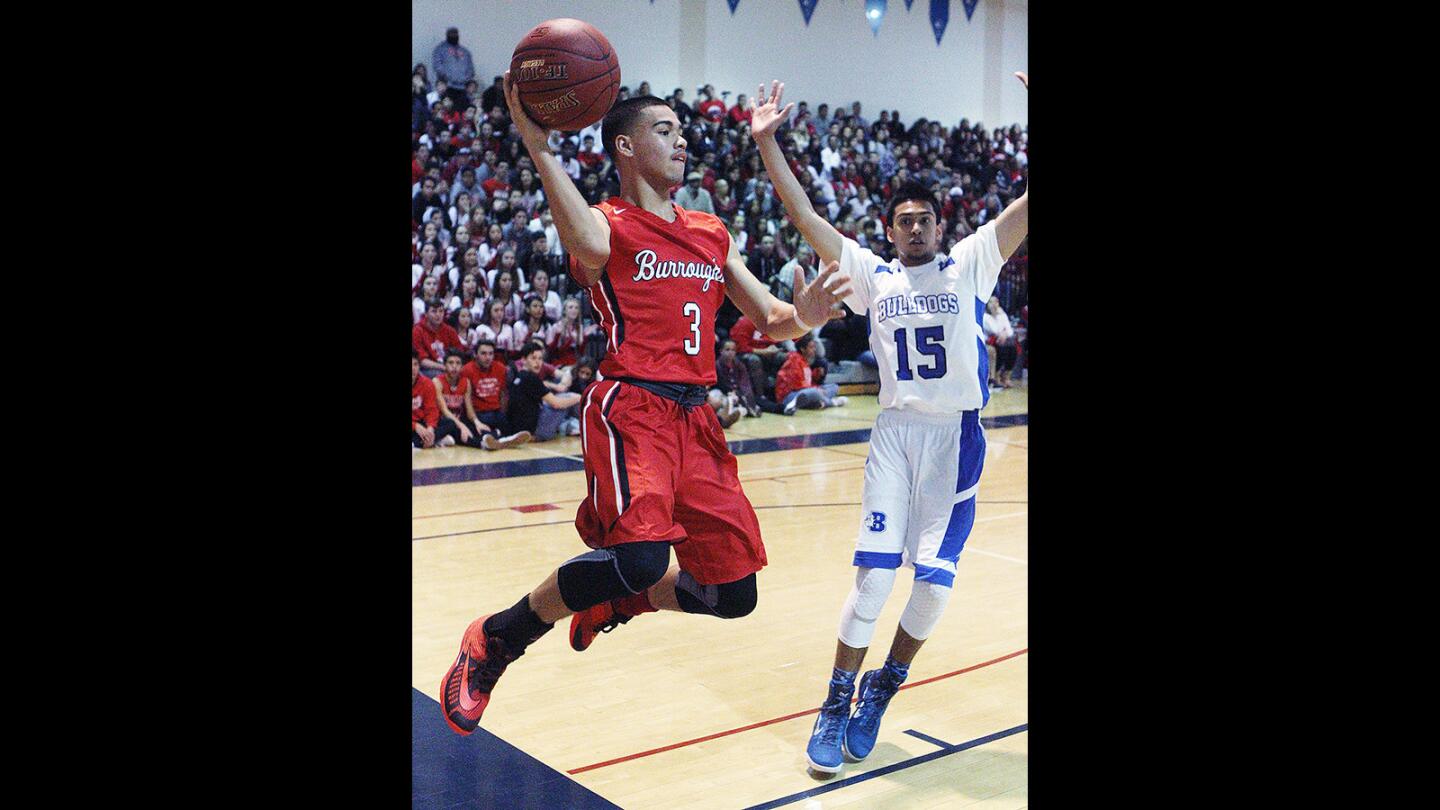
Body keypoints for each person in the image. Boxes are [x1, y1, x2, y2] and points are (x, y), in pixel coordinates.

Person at [440, 86, 853, 735]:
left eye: (683, 130)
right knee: (639, 554)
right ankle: (496, 639)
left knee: (732, 594)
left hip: (697, 420)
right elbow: (581, 237)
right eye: (666, 129)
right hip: (631, 406)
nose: (682, 139)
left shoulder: (712, 234)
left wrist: (807, 316)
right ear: (626, 147)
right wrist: (540, 148)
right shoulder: (607, 223)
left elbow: (772, 317)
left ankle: (619, 603)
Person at [750, 75, 1029, 774]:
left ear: (940, 227)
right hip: (896, 437)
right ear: (888, 229)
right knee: (873, 582)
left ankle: (884, 685)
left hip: (956, 442)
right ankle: (836, 698)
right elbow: (805, 215)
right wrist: (766, 144)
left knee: (933, 585)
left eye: (923, 220)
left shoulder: (969, 264)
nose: (913, 227)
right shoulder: (872, 274)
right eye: (902, 219)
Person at [505, 342, 583, 442]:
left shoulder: (519, 376)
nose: (538, 362)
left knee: (564, 397)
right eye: (533, 358)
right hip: (536, 431)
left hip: (518, 428)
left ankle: (572, 425)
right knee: (572, 397)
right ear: (523, 360)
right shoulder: (531, 378)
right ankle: (592, 427)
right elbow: (557, 404)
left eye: (540, 358)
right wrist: (580, 397)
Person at [774, 333, 847, 414]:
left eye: (814, 347)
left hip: (803, 391)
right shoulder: (794, 360)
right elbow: (797, 385)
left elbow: (808, 381)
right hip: (788, 396)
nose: (814, 350)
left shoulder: (805, 360)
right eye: (811, 347)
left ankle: (816, 403)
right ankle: (830, 403)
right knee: (814, 392)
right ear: (802, 349)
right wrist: (817, 389)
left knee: (834, 387)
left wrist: (816, 374)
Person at [413, 349, 460, 449]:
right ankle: (433, 440)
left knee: (450, 423)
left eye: (415, 364)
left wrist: (431, 428)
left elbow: (432, 410)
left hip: (423, 422)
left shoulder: (427, 383)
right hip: (414, 425)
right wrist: (415, 426)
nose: (413, 368)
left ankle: (424, 441)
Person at [413, 298, 462, 376]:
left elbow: (459, 353)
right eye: (434, 311)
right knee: (440, 375)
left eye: (441, 311)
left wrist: (452, 366)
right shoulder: (417, 331)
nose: (438, 314)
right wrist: (443, 367)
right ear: (426, 314)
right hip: (428, 368)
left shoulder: (450, 330)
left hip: (450, 365)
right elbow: (421, 360)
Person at [432, 27, 475, 110]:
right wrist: (449, 77)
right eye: (451, 34)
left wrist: (465, 79)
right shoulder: (440, 49)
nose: (454, 35)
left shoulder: (465, 51)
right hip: (448, 86)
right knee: (448, 110)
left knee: (462, 110)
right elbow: (437, 66)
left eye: (455, 34)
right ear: (447, 35)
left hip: (462, 87)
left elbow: (471, 69)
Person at [982, 295, 1020, 388]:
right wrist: (1003, 331)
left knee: (1013, 348)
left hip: (1001, 340)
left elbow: (1010, 331)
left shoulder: (1002, 315)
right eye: (991, 302)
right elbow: (994, 330)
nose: (994, 305)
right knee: (1001, 349)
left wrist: (1004, 333)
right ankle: (996, 376)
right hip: (989, 341)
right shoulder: (985, 316)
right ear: (987, 304)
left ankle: (1006, 376)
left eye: (996, 302)